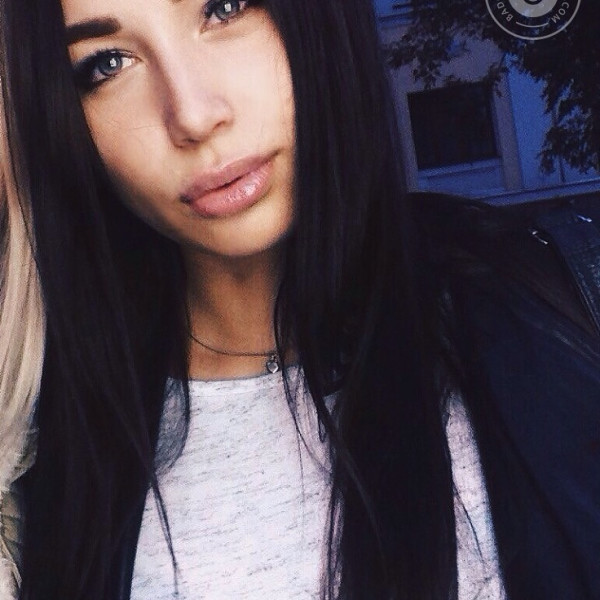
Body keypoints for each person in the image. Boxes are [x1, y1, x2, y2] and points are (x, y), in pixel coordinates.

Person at [0, 0, 598, 599]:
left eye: (225, 8)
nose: (194, 116)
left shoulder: (549, 311)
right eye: (107, 64)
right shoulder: (43, 436)